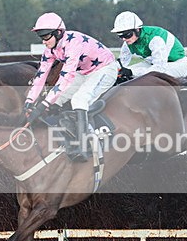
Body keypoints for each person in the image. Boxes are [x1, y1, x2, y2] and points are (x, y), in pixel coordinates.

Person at [26, 12, 120, 162]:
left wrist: (44, 104)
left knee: (79, 99)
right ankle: (60, 135)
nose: (43, 41)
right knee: (57, 99)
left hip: (105, 69)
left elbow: (66, 77)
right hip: (84, 72)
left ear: (58, 33)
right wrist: (30, 102)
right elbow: (40, 76)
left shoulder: (73, 42)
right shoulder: (50, 49)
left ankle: (84, 146)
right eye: (41, 37)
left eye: (46, 36)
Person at [110, 11, 187, 79]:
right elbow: (121, 64)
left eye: (127, 35)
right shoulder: (128, 42)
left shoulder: (155, 39)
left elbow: (159, 68)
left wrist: (131, 72)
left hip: (177, 64)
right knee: (123, 74)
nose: (124, 39)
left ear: (137, 29)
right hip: (153, 64)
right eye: (120, 36)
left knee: (142, 76)